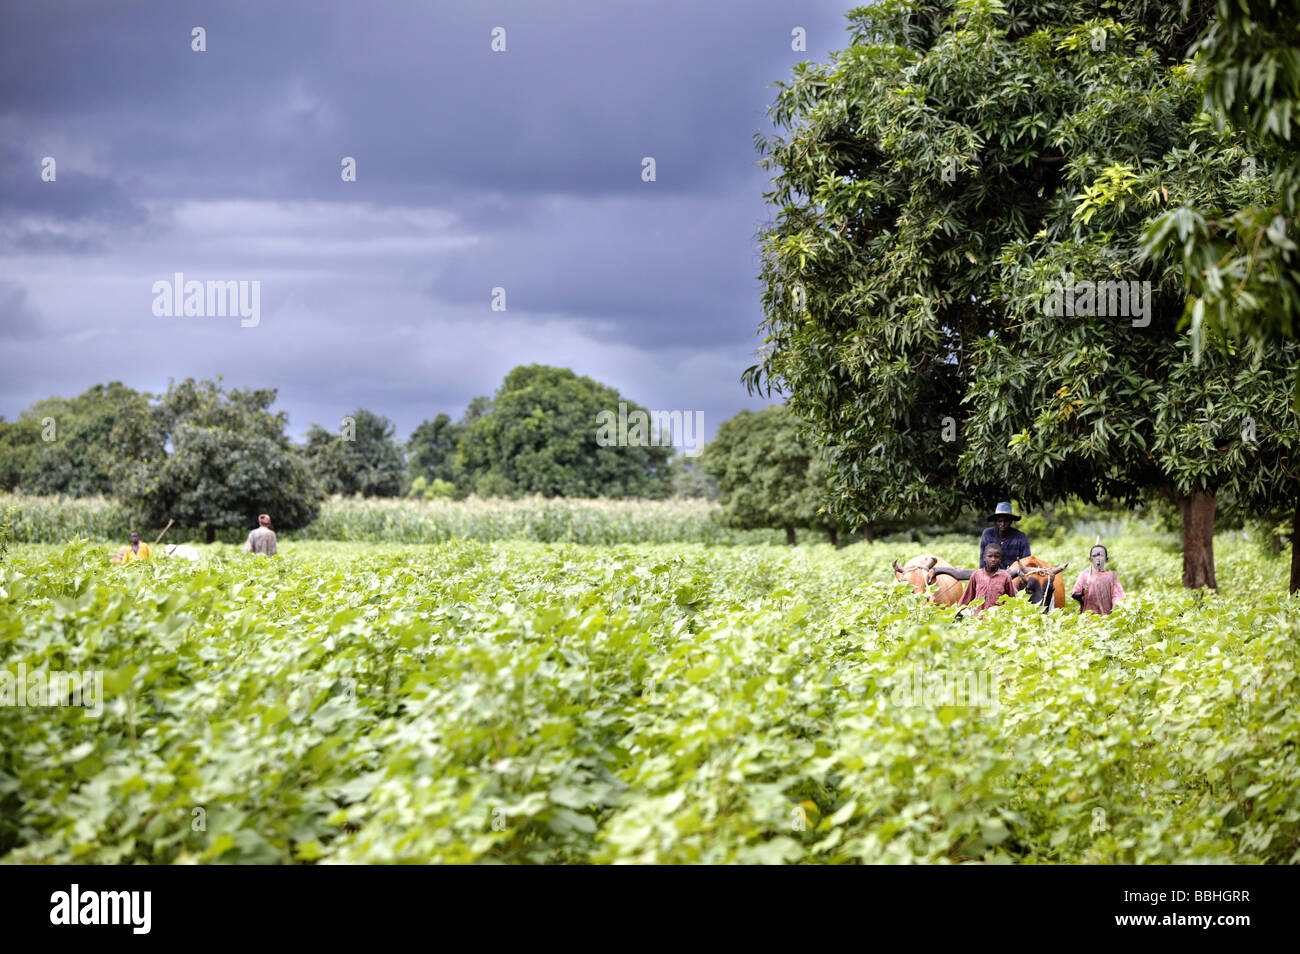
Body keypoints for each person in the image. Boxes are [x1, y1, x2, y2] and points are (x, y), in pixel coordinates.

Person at [956, 542, 1017, 618]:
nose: (993, 559)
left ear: (1000, 559)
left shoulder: (1006, 577)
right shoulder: (976, 575)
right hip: (978, 619)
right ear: (984, 557)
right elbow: (967, 596)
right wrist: (958, 612)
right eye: (990, 556)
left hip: (998, 620)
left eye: (996, 557)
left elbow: (1012, 599)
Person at [1071, 544, 1126, 615]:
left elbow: (1117, 595)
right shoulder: (1084, 575)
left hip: (1106, 618)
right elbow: (1074, 594)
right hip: (1088, 618)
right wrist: (1082, 593)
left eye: (1101, 555)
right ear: (1090, 559)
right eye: (1094, 556)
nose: (1098, 558)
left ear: (1106, 559)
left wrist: (1116, 611)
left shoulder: (1111, 575)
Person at [978, 501, 1031, 567]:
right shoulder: (988, 534)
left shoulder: (1020, 537)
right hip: (992, 574)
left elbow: (1027, 560)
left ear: (1011, 521)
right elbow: (983, 559)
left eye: (1006, 521)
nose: (1002, 524)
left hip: (1014, 574)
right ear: (995, 522)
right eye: (1000, 521)